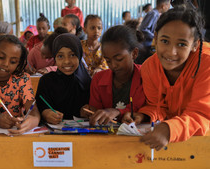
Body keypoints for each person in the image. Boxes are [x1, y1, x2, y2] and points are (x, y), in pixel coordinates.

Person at [122, 6, 210, 150]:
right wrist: (144, 115)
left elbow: (202, 115)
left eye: (181, 44)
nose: (171, 52)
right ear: (155, 38)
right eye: (165, 41)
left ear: (195, 45)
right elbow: (158, 105)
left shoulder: (206, 64)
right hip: (176, 140)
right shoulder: (149, 68)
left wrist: (169, 129)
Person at [81, 25, 145, 125]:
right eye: (108, 61)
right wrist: (91, 112)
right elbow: (96, 112)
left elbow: (145, 109)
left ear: (134, 53)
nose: (113, 65)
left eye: (119, 59)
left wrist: (117, 112)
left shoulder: (146, 76)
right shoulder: (98, 79)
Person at [35, 33, 91, 124]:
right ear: (55, 58)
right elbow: (39, 107)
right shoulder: (46, 82)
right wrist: (46, 113)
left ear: (79, 55)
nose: (67, 61)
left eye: (72, 55)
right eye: (60, 56)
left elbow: (95, 110)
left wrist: (89, 111)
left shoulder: (88, 83)